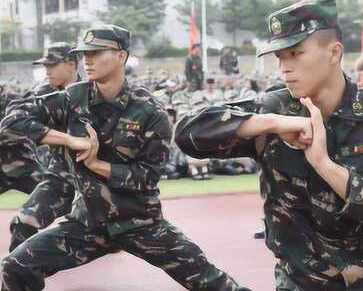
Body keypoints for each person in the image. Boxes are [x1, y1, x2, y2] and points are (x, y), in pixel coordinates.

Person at [175, 0, 363, 290]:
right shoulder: (274, 108)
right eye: (280, 57)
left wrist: (325, 166)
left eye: (296, 53)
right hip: (302, 282)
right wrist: (272, 123)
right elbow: (188, 134)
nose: (285, 68)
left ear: (334, 53)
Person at [0, 25, 248, 291]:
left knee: (212, 283)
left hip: (140, 223)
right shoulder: (73, 97)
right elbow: (13, 119)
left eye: (96, 52)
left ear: (122, 56)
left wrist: (97, 165)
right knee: (15, 267)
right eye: (84, 54)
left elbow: (147, 178)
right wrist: (69, 139)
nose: (88, 59)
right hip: (87, 224)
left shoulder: (150, 111)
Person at [9, 42, 82, 251]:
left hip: (98, 178)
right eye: (45, 66)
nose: (47, 71)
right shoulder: (42, 93)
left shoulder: (93, 90)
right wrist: (65, 139)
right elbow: (14, 121)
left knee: (118, 230)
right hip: (61, 176)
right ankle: (15, 276)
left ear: (71, 64)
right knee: (24, 222)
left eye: (53, 65)